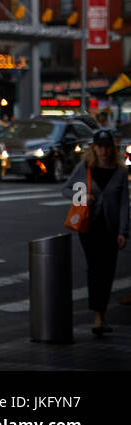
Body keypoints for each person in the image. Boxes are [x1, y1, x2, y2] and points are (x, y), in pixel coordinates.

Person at [72, 129, 129, 334]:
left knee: (108, 271)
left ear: (111, 148)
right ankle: (98, 317)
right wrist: (81, 198)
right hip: (89, 228)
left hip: (111, 230)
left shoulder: (120, 172)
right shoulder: (85, 167)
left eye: (107, 146)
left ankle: (101, 315)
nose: (103, 150)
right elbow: (67, 188)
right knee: (95, 269)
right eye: (100, 146)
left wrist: (123, 231)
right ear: (94, 148)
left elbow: (124, 204)